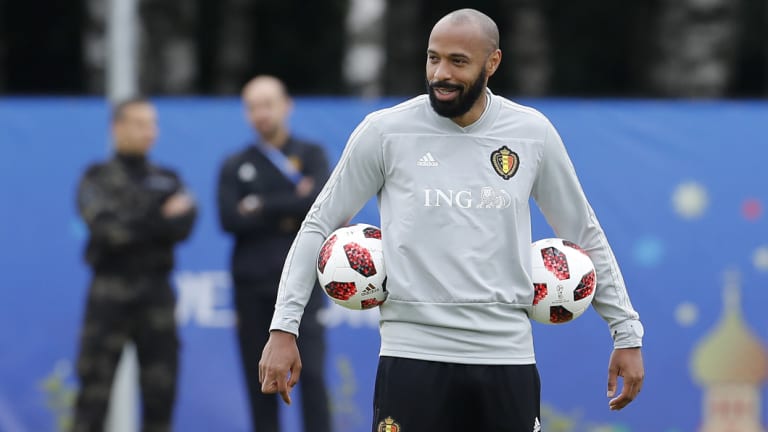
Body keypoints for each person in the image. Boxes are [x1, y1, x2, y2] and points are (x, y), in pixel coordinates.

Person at [259, 8, 646, 432]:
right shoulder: (386, 131)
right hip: (411, 357)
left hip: (506, 358)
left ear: (492, 63)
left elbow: (582, 232)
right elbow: (318, 224)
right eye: (433, 58)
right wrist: (284, 327)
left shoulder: (531, 133)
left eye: (458, 62)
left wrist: (625, 331)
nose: (441, 73)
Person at [73, 97, 197, 432]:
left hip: (156, 293)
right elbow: (106, 229)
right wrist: (159, 216)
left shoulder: (168, 177)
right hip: (108, 295)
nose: (149, 132)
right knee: (92, 400)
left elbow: (185, 224)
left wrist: (134, 220)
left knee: (160, 398)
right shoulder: (95, 177)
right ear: (118, 127)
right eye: (140, 123)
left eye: (152, 124)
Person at [217, 75, 332, 432]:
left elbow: (317, 207)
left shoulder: (311, 155)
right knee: (263, 381)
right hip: (251, 286)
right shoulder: (235, 164)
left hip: (303, 284)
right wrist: (288, 206)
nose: (261, 114)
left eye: (268, 104)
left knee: (310, 374)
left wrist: (260, 205)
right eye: (252, 107)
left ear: (286, 105)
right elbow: (230, 218)